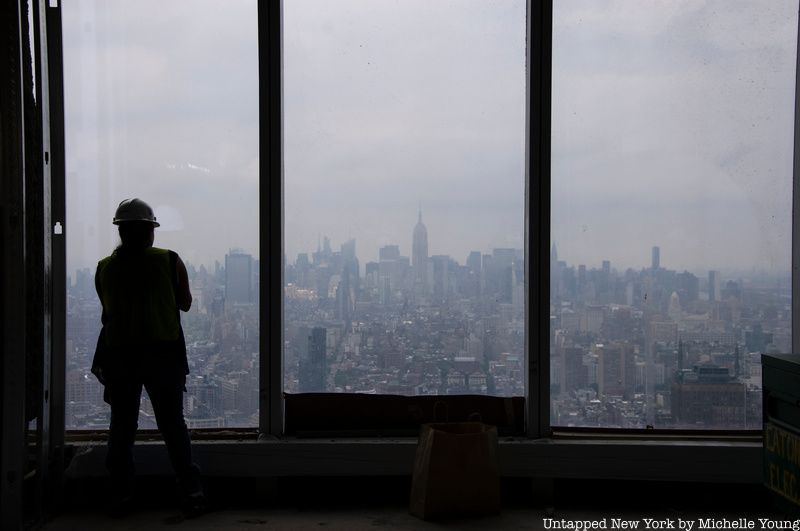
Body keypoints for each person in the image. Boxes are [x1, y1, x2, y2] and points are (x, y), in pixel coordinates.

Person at [92, 198, 205, 517]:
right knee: (172, 425)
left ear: (121, 231)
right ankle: (192, 491)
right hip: (162, 354)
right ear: (150, 231)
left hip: (120, 355)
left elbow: (108, 308)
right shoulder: (169, 260)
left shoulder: (104, 267)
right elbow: (185, 303)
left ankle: (121, 494)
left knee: (122, 426)